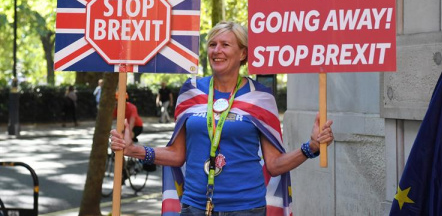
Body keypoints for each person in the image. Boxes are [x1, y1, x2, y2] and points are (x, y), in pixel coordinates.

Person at [110, 21, 334, 215]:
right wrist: (133, 150)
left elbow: (274, 164)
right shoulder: (191, 91)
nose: (217, 51)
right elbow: (177, 155)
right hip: (195, 205)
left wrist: (311, 147)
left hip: (246, 208)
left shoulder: (260, 97)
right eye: (212, 45)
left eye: (225, 45)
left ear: (243, 53)